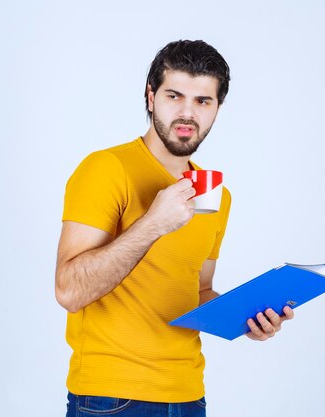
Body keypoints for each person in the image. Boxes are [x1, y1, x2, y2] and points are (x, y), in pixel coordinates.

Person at [55, 40, 295, 417]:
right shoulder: (105, 169)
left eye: (203, 101)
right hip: (111, 398)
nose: (187, 113)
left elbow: (196, 289)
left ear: (217, 108)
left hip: (188, 396)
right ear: (151, 97)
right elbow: (69, 290)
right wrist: (153, 223)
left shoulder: (216, 194)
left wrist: (248, 318)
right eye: (174, 96)